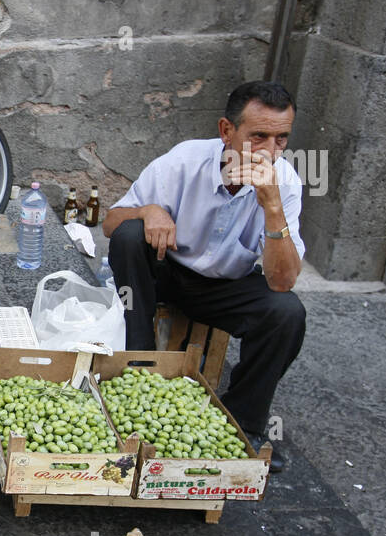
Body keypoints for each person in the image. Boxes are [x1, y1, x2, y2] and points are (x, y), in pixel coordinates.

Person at [101, 80, 305, 472]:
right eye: (258, 136)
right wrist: (147, 212)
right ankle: (138, 370)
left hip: (226, 287)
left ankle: (244, 423)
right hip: (166, 271)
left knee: (287, 313)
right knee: (129, 235)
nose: (269, 151)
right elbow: (111, 223)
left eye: (281, 140)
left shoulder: (286, 185)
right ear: (226, 131)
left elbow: (282, 281)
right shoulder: (182, 162)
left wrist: (273, 209)